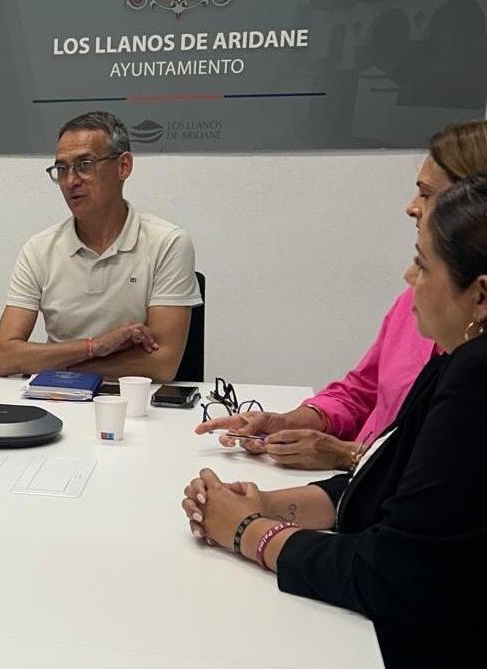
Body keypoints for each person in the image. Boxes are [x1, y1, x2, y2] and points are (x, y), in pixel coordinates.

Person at [180, 174, 487, 669]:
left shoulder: (476, 376)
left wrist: (248, 532)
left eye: (422, 264)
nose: (409, 278)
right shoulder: (455, 351)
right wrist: (269, 503)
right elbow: (389, 478)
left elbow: (390, 573)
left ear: (480, 295)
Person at [196, 120, 487, 470]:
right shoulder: (414, 302)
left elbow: (440, 483)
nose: (411, 206)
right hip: (352, 495)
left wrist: (346, 456)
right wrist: (289, 423)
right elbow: (360, 392)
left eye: (426, 193)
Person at [0, 111, 201, 380]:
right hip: (56, 397)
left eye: (85, 165)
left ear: (123, 166)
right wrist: (96, 346)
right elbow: (5, 357)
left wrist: (59, 367)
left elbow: (161, 364)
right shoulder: (39, 249)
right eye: (62, 169)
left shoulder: (168, 243)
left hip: (132, 404)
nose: (70, 181)